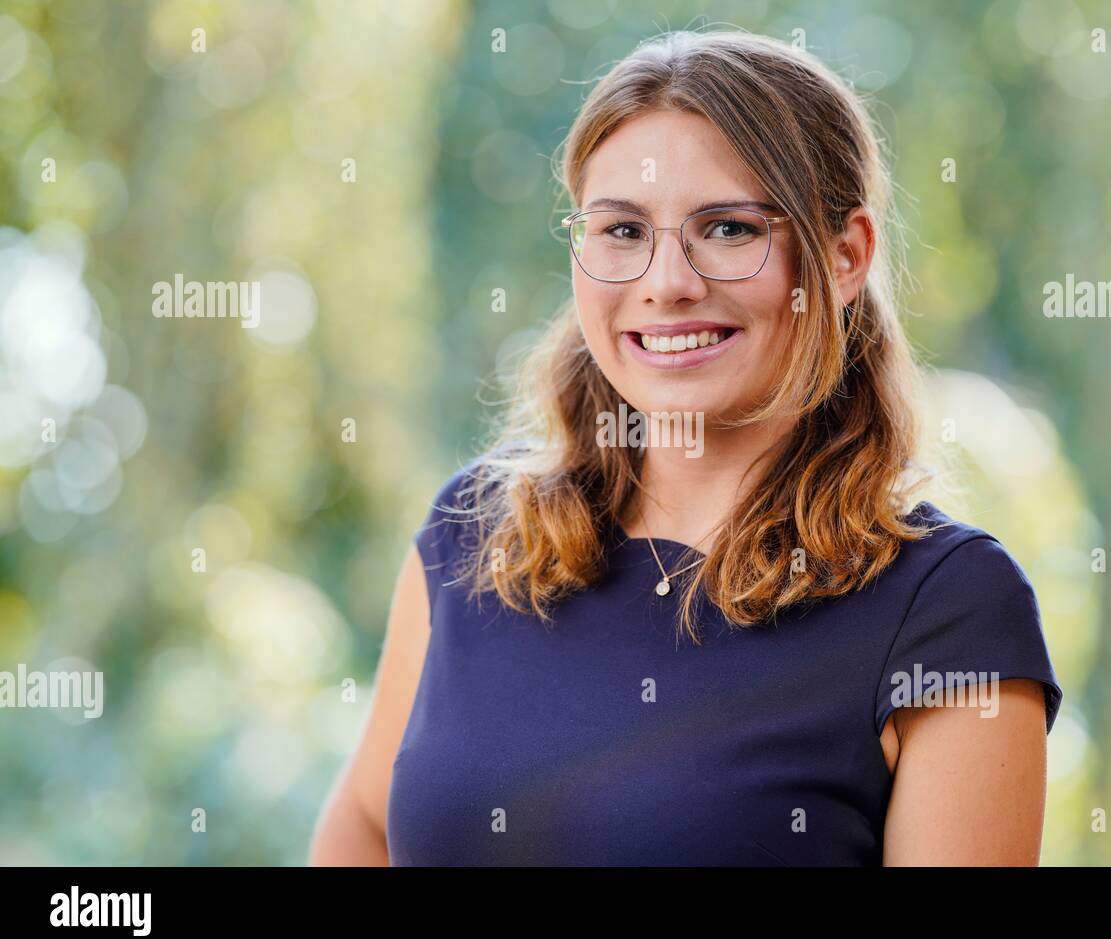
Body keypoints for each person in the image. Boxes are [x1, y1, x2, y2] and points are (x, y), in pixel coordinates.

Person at [310, 28, 1063, 866]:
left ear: (845, 256)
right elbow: (367, 828)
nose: (667, 283)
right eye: (623, 232)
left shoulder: (948, 610)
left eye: (729, 229)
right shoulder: (474, 531)